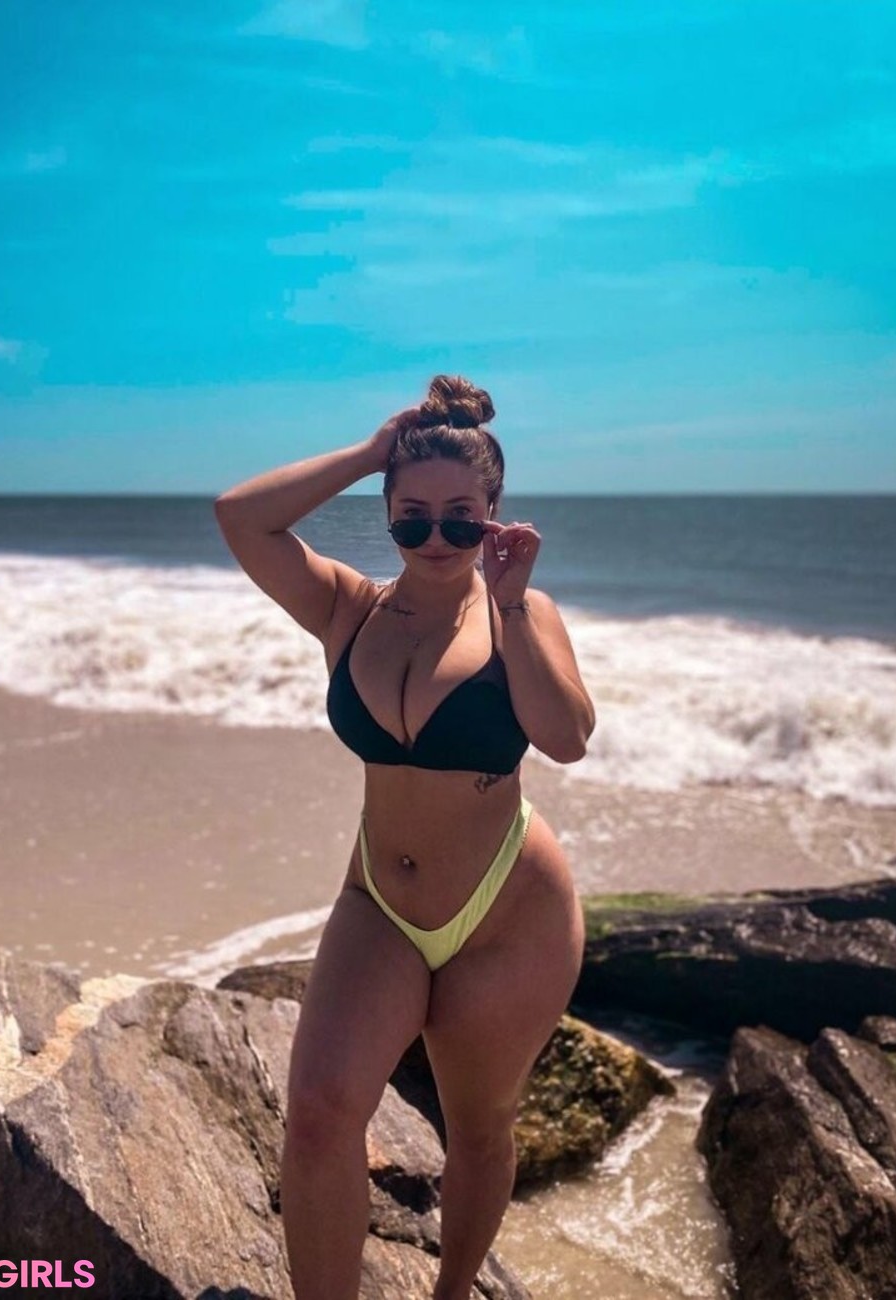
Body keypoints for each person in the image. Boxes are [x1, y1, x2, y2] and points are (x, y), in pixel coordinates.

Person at [213, 374, 594, 1300]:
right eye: (412, 519)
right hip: (377, 903)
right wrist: (367, 452)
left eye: (461, 521)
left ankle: (452, 1294)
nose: (435, 540)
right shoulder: (348, 609)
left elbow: (567, 738)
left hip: (508, 917)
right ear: (385, 513)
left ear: (493, 516)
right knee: (318, 1114)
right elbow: (240, 517)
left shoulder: (521, 613)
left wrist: (511, 603)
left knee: (480, 1129)